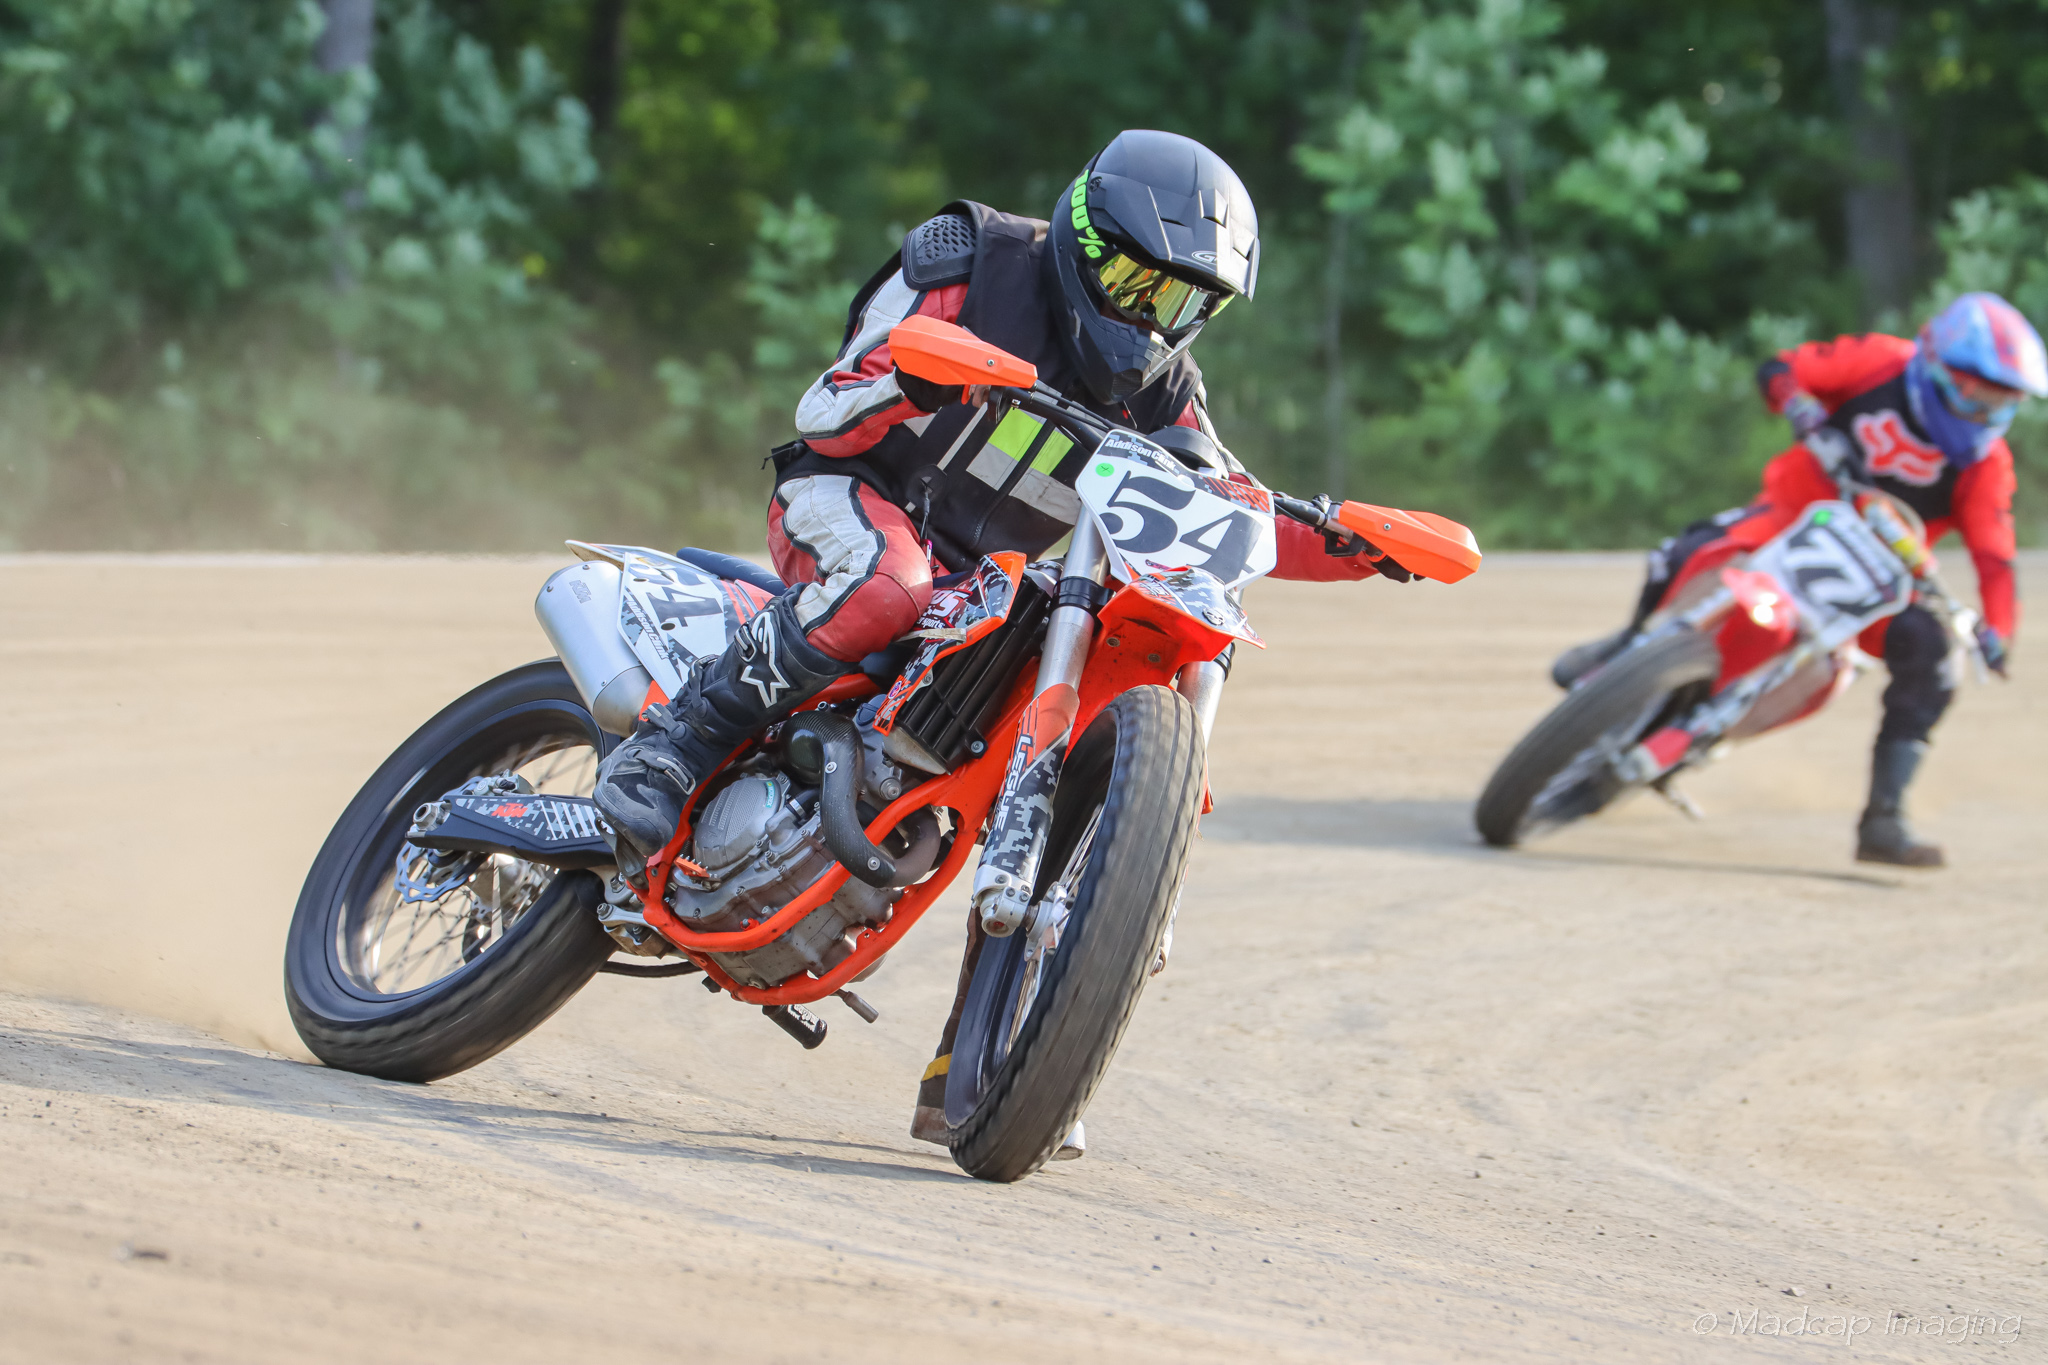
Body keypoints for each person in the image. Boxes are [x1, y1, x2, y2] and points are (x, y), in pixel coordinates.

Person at [594, 129, 1408, 1146]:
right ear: (1079, 233)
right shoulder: (966, 259)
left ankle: (980, 1063)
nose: (1151, 319)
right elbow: (826, 403)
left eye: (1183, 304)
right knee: (889, 588)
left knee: (1055, 727)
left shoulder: (1164, 390)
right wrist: (916, 377)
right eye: (1134, 282)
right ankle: (670, 754)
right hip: (852, 499)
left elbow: (1222, 505)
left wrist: (1352, 539)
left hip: (996, 585)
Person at [1551, 292, 2043, 868]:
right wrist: (1797, 403)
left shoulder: (1987, 465)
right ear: (1933, 366)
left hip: (1878, 574)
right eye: (1975, 397)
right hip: (1789, 517)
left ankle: (1884, 817)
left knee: (1935, 655)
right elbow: (1783, 368)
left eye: (2001, 405)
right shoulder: (1879, 361)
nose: (1983, 417)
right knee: (1684, 552)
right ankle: (1626, 644)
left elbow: (1995, 558)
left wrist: (1999, 631)